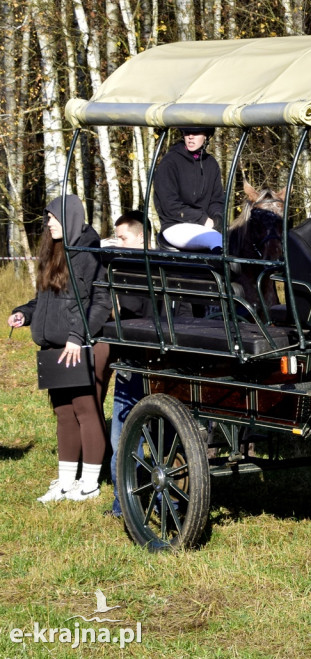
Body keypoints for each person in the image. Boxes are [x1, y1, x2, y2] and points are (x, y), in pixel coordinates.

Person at [8, 195, 112, 503]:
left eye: (53, 218)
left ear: (70, 218)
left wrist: (76, 336)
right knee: (64, 412)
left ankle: (90, 483)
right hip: (56, 347)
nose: (48, 223)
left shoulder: (88, 251)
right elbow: (44, 299)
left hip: (81, 344)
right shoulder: (53, 251)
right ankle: (67, 482)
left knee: (86, 409)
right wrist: (24, 314)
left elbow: (100, 303)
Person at [105, 211, 148, 518]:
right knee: (124, 436)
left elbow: (123, 308)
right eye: (116, 238)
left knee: (125, 435)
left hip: (138, 360)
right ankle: (123, 501)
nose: (118, 243)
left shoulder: (139, 269)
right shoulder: (123, 267)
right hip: (132, 359)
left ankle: (126, 502)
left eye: (123, 238)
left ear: (141, 236)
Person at [153, 126, 225, 250]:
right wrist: (203, 219)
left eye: (196, 133)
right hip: (175, 225)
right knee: (217, 240)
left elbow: (216, 200)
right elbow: (169, 204)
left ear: (206, 136)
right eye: (187, 133)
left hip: (204, 225)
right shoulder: (170, 162)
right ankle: (218, 270)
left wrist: (218, 219)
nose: (190, 136)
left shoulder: (211, 164)